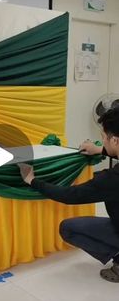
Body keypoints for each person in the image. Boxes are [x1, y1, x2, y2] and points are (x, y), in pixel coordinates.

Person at [18, 107, 119, 283]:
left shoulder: (112, 179)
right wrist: (100, 150)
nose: (102, 140)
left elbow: (70, 195)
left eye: (104, 138)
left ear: (115, 140)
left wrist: (32, 180)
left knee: (69, 228)